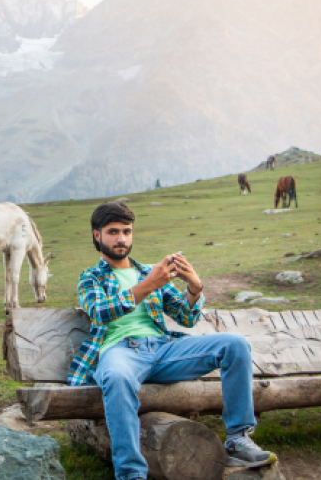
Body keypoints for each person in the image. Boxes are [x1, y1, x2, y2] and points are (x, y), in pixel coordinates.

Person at [69, 201, 277, 480]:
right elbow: (100, 311)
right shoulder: (91, 277)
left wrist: (194, 287)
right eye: (113, 232)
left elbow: (186, 317)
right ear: (98, 235)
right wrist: (150, 285)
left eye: (127, 232)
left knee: (235, 344)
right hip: (120, 352)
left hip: (163, 350)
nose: (121, 239)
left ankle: (238, 440)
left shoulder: (148, 272)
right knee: (116, 377)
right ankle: (131, 474)